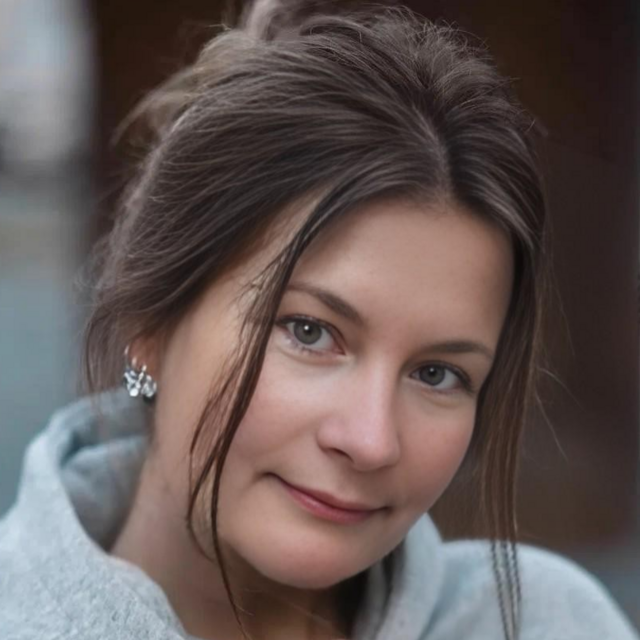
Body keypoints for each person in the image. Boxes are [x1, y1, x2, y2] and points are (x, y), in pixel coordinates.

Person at [0, 2, 637, 640]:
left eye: (437, 374)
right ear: (151, 322)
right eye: (309, 332)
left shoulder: (548, 624)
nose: (371, 441)